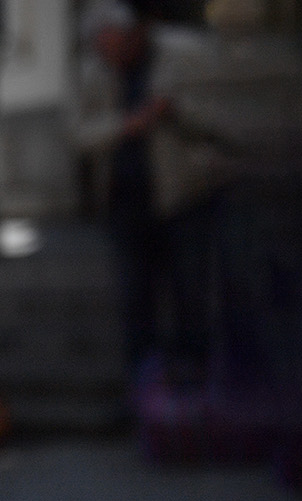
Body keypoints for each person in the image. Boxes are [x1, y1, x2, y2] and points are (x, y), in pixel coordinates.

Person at [76, 0, 217, 384]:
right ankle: (144, 387)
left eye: (114, 44)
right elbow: (78, 134)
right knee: (135, 299)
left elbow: (215, 121)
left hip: (183, 196)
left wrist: (171, 112)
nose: (109, 55)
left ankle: (195, 381)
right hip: (126, 203)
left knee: (190, 293)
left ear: (133, 34)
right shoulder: (95, 72)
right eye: (101, 47)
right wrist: (126, 125)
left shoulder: (181, 55)